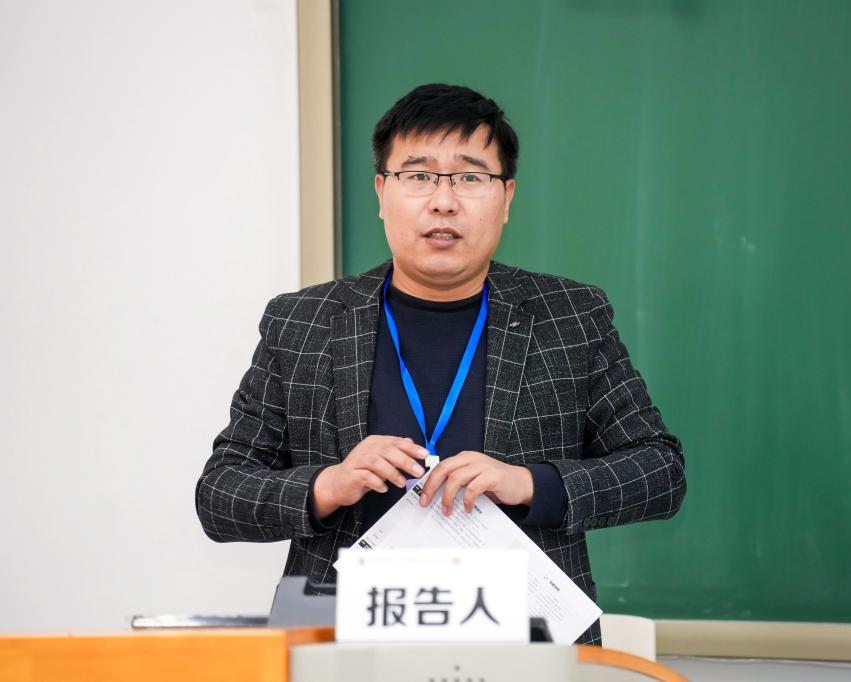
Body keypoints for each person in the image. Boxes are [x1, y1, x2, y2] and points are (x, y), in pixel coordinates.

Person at [195, 83, 686, 645]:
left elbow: (659, 472)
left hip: (519, 640)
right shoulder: (303, 321)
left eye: (470, 178)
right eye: (418, 175)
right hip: (342, 639)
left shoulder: (570, 316)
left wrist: (529, 483)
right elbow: (220, 494)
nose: (443, 201)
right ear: (381, 192)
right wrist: (327, 485)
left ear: (506, 198)